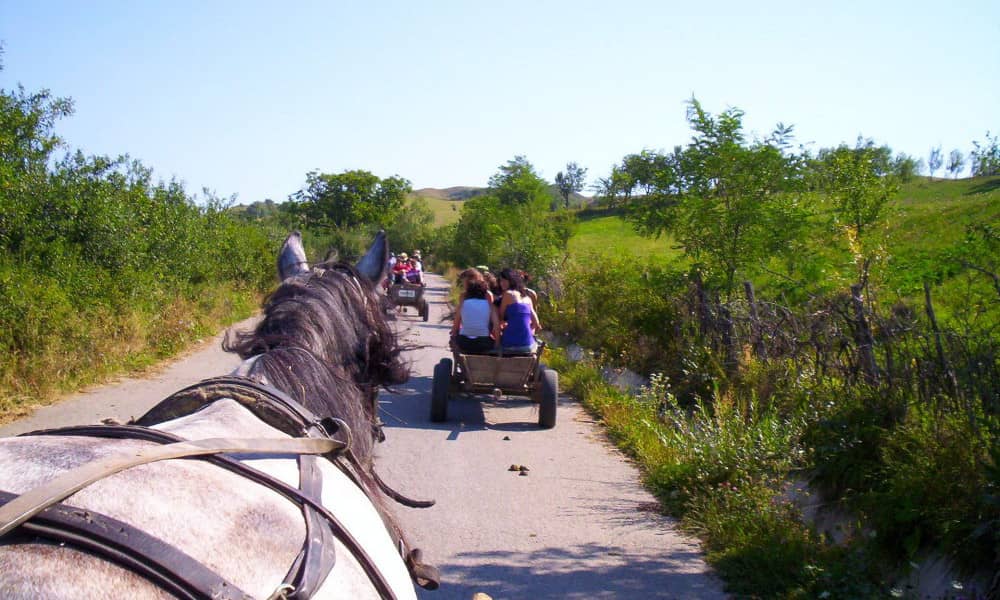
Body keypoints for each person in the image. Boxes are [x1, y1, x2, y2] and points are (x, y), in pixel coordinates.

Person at [495, 268, 541, 353]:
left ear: (512, 280)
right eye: (501, 281)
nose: (502, 283)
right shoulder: (528, 299)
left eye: (505, 280)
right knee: (537, 343)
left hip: (509, 345)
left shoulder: (508, 294)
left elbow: (500, 318)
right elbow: (536, 324)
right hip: (527, 346)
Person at [450, 278, 497, 354]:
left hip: (464, 343)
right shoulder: (490, 306)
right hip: (483, 343)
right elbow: (497, 326)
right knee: (491, 341)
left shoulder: (463, 304)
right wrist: (497, 344)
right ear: (484, 292)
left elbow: (456, 325)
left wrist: (454, 338)